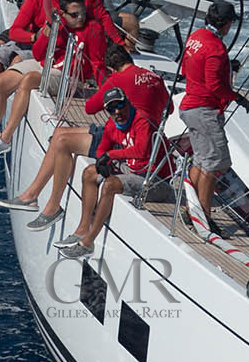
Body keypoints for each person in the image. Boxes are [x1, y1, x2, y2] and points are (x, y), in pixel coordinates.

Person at [0, 45, 169, 219]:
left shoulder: (117, 79)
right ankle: (32, 195)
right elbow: (168, 109)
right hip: (147, 135)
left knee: (62, 141)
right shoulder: (155, 77)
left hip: (126, 137)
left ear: (110, 68)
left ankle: (48, 204)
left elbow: (90, 108)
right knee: (59, 133)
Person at [0, 0, 108, 162]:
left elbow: (97, 63)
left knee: (29, 80)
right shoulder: (57, 26)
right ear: (63, 14)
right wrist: (46, 33)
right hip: (48, 65)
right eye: (74, 14)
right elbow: (38, 52)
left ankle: (5, 139)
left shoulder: (93, 29)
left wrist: (104, 91)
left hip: (71, 76)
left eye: (82, 13)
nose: (80, 18)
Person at [57, 89, 175, 258]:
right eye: (112, 109)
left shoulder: (142, 121)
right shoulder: (112, 125)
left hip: (155, 181)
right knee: (89, 172)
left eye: (120, 105)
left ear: (127, 102)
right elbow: (102, 149)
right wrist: (102, 161)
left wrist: (110, 156)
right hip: (133, 170)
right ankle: (83, 228)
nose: (117, 111)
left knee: (110, 185)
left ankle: (88, 243)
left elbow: (141, 151)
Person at [179, 0, 247, 230]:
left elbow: (185, 70)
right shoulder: (216, 48)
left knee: (200, 160)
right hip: (204, 111)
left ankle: (191, 211)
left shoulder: (196, 37)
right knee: (213, 164)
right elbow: (215, 87)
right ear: (226, 24)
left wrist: (226, 65)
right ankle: (204, 218)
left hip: (189, 107)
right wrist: (236, 97)